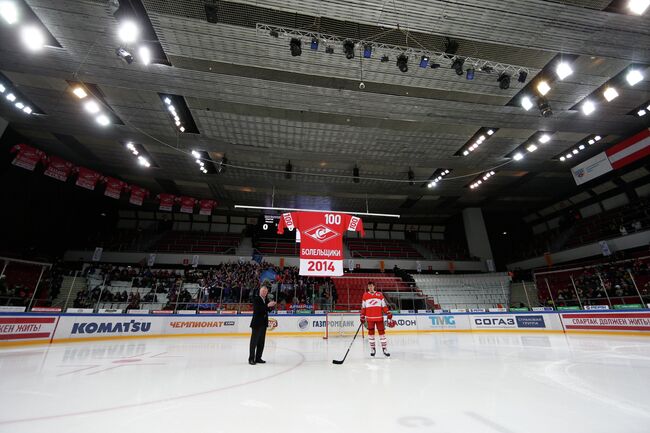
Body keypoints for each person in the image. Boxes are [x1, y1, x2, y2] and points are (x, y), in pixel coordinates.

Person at [360, 281, 392, 357]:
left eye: (371, 286)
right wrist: (362, 316)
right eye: (369, 286)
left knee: (382, 334)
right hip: (370, 318)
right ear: (368, 287)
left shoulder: (379, 295)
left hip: (379, 318)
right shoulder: (365, 295)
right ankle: (373, 349)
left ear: (374, 286)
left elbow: (383, 306)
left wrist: (388, 312)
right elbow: (363, 307)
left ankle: (384, 349)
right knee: (371, 335)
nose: (370, 287)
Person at [249, 284, 276, 365]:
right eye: (263, 291)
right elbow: (258, 309)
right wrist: (267, 305)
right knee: (254, 342)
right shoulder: (256, 299)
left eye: (265, 291)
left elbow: (268, 310)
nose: (264, 292)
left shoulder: (266, 300)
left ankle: (258, 358)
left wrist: (272, 306)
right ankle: (251, 359)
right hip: (257, 324)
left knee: (261, 342)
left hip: (264, 324)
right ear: (260, 291)